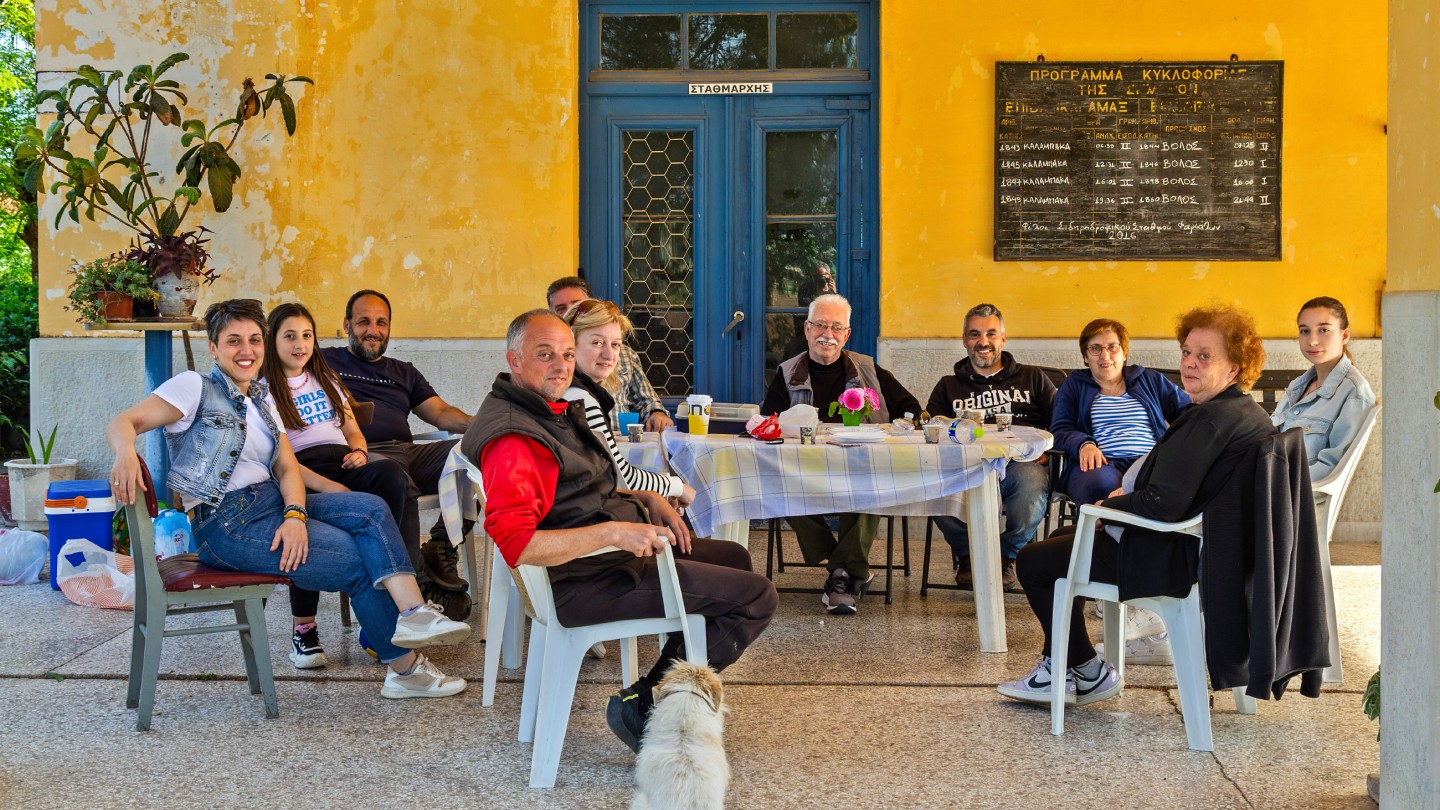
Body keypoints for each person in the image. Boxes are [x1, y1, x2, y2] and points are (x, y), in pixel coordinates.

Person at [106, 299, 471, 699]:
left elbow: (286, 468)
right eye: (233, 341)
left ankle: (414, 613)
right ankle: (405, 670)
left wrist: (295, 515)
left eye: (253, 340)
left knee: (370, 508)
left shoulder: (261, 398)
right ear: (213, 348)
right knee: (359, 559)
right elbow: (124, 422)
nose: (246, 350)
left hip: (271, 504)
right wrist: (125, 453)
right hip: (227, 524)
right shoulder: (195, 386)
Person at [462, 309, 776, 753]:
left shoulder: (542, 408)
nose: (561, 365)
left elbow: (594, 482)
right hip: (585, 580)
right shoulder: (516, 438)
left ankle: (663, 692)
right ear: (514, 360)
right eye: (545, 354)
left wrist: (646, 500)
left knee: (735, 560)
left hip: (599, 562)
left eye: (567, 354)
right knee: (756, 596)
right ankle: (649, 702)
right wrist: (615, 534)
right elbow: (518, 544)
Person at [997, 303, 1276, 707]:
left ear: (1234, 367)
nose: (1190, 364)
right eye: (1186, 352)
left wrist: (1112, 507)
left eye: (1204, 356)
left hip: (1167, 552)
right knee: (1062, 537)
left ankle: (1085, 671)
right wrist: (1116, 502)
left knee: (1034, 562)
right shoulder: (1234, 411)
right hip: (1191, 543)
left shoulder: (1210, 421)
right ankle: (1068, 664)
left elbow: (1163, 502)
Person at [262, 301, 413, 669]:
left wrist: (360, 451)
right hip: (300, 472)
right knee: (309, 528)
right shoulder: (264, 389)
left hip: (344, 463)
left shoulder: (325, 377)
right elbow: (279, 461)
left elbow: (351, 429)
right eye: (290, 336)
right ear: (273, 341)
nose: (300, 344)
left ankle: (400, 598)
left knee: (392, 475)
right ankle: (304, 631)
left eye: (307, 336)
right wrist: (327, 486)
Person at [760, 293, 921, 614]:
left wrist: (900, 428)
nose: (827, 334)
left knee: (870, 488)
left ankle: (843, 573)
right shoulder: (788, 372)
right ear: (806, 329)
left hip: (860, 469)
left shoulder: (868, 370)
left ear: (847, 334)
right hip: (804, 471)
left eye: (836, 327)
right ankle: (846, 566)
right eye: (820, 325)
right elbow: (769, 423)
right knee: (775, 484)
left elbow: (911, 409)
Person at [321, 290, 473, 618]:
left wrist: (480, 426)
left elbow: (440, 413)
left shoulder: (404, 371)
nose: (372, 330)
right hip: (361, 457)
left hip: (408, 452)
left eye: (381, 322)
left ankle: (441, 545)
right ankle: (416, 588)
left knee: (479, 452)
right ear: (347, 324)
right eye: (363, 322)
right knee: (395, 476)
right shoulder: (323, 362)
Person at [925, 303, 1056, 593]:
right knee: (931, 485)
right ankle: (969, 556)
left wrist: (1050, 450)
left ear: (1003, 339)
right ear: (964, 341)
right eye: (975, 334)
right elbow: (930, 429)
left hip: (1021, 464)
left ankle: (1006, 556)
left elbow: (1062, 419)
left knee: (1032, 483)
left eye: (991, 334)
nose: (983, 342)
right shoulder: (947, 385)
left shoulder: (1032, 377)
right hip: (965, 466)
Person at [560, 298, 696, 506]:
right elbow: (623, 476)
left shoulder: (571, 392)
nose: (609, 354)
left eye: (615, 344)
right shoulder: (581, 400)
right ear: (571, 345)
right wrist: (677, 486)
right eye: (597, 342)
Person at [1050, 318, 1190, 506]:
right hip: (1102, 464)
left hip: (1150, 462)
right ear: (1085, 357)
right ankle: (1106, 529)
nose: (1105, 356)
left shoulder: (1149, 379)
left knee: (1164, 485)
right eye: (1096, 348)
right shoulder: (1074, 386)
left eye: (1112, 347)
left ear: (1124, 353)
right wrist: (1084, 444)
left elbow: (1188, 414)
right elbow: (1060, 429)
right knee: (1099, 485)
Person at [546, 276, 675, 433]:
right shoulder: (559, 388)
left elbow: (646, 399)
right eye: (597, 343)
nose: (609, 354)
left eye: (579, 306)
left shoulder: (625, 356)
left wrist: (657, 412)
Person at [1272, 296, 1377, 480]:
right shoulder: (1299, 386)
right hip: (1271, 488)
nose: (1312, 341)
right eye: (1305, 331)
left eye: (1324, 330)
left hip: (1296, 499)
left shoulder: (1354, 394)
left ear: (1344, 335)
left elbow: (1332, 469)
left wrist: (1271, 484)